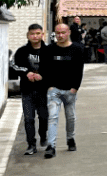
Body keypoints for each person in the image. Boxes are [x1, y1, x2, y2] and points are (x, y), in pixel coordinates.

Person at [41, 22, 84, 159]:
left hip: (70, 90)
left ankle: (70, 139)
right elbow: (44, 69)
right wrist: (49, 86)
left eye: (63, 32)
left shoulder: (77, 49)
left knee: (70, 117)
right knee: (53, 117)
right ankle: (51, 146)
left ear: (69, 33)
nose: (60, 35)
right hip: (54, 90)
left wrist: (75, 88)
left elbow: (79, 70)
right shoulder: (49, 49)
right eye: (58, 33)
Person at [12, 24, 49, 155]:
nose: (35, 36)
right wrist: (27, 72)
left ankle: (43, 135)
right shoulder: (22, 51)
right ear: (28, 35)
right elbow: (14, 66)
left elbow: (54, 68)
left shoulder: (48, 51)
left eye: (38, 33)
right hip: (27, 90)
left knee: (44, 117)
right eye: (32, 34)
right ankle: (31, 144)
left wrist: (42, 75)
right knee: (29, 118)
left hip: (43, 90)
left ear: (42, 35)